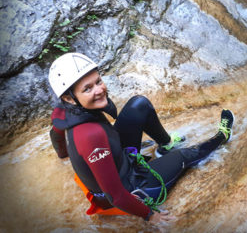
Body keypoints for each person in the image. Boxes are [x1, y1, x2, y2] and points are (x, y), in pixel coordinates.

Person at [48, 52, 234, 223]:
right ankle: (222, 136)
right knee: (184, 156)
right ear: (69, 98)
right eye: (87, 89)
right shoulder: (90, 136)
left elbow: (56, 133)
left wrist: (63, 155)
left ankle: (165, 145)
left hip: (119, 157)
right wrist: (150, 215)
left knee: (139, 105)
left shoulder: (64, 112)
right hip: (131, 187)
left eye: (98, 81)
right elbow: (115, 195)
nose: (99, 90)